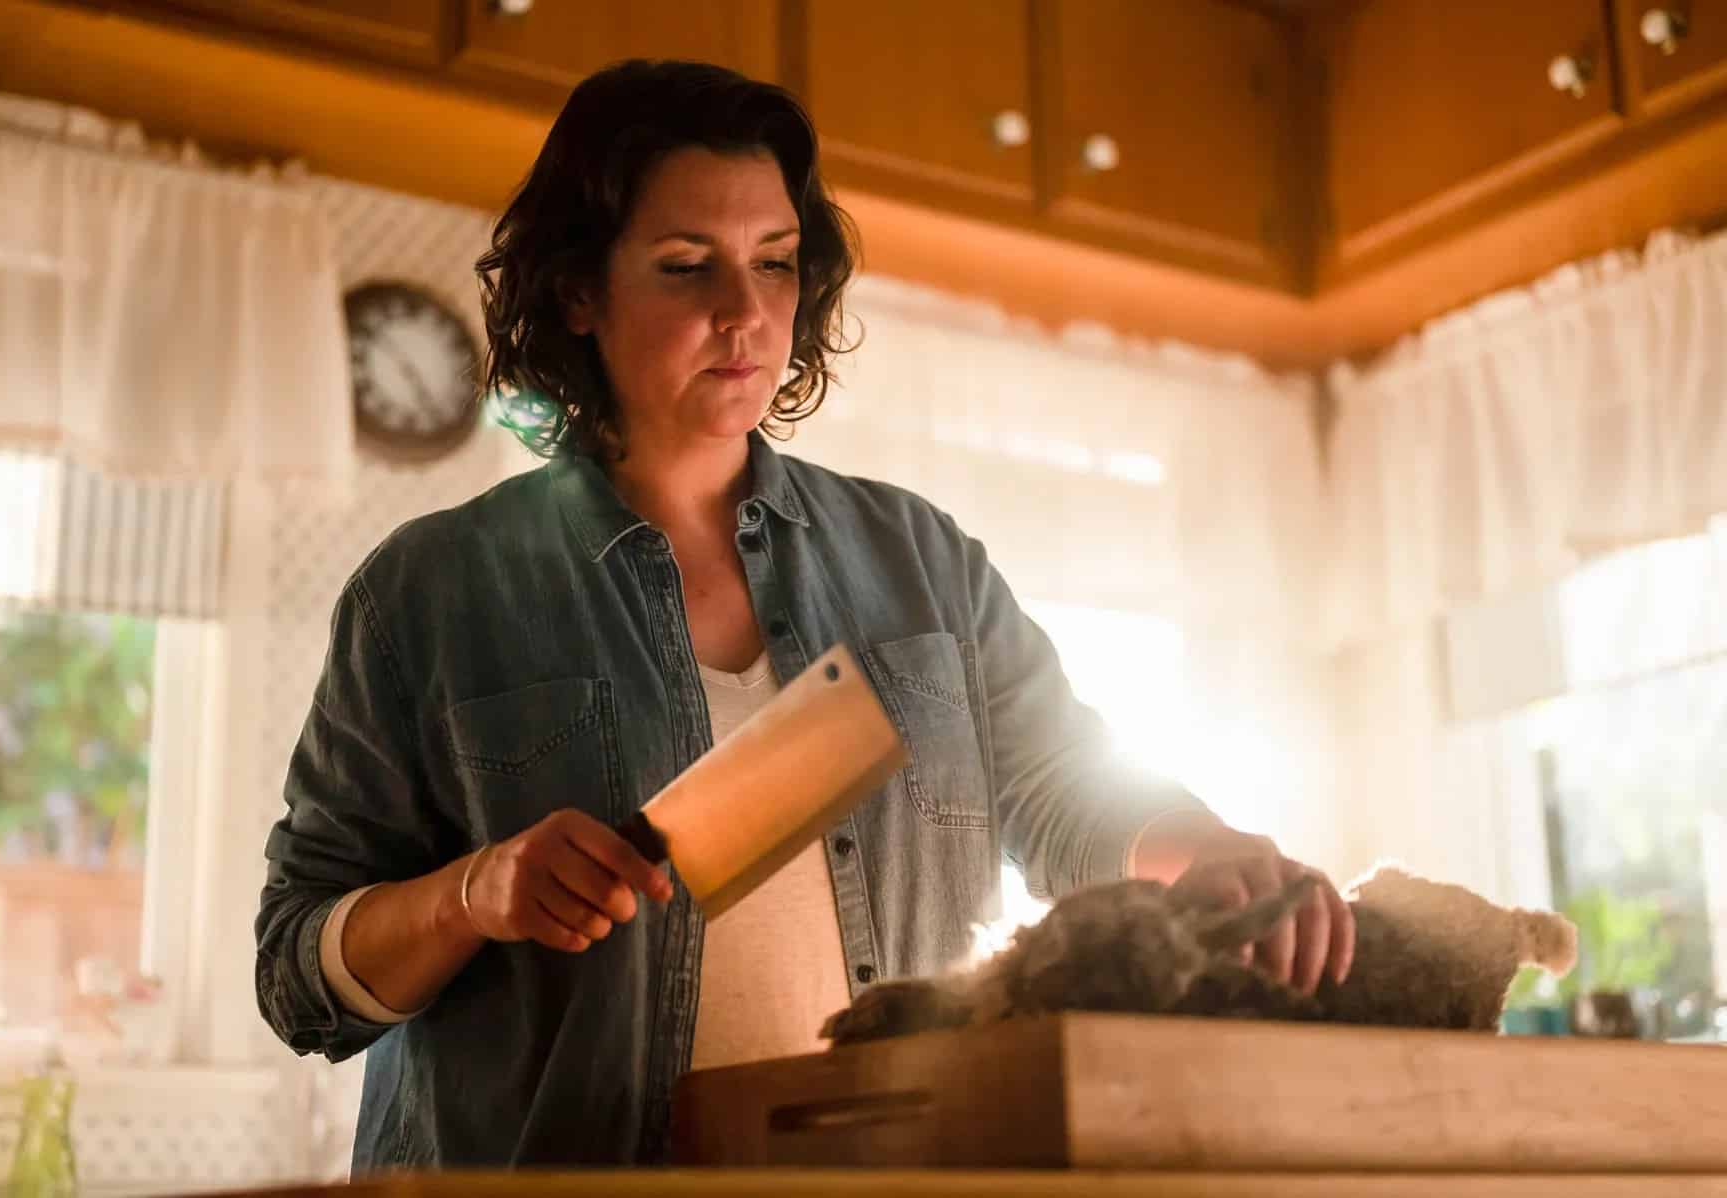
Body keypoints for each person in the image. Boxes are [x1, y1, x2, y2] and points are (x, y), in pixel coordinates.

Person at [254, 58, 1355, 1171]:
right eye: (689, 267)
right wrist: (473, 893)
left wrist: (1203, 848)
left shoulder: (921, 561)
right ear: (581, 291)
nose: (745, 313)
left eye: (775, 264)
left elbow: (1064, 789)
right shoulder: (431, 593)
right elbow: (296, 973)